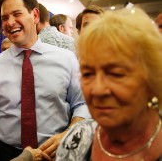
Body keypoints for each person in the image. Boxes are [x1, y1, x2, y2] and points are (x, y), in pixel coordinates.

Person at [0, 0, 90, 161]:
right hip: (8, 154)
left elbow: (81, 104)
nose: (10, 22)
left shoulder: (66, 59)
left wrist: (68, 134)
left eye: (17, 14)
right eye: (5, 18)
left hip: (57, 151)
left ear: (35, 15)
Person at [56, 8, 162, 161]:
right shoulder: (76, 140)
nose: (97, 90)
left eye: (116, 74)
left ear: (152, 79)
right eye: (88, 74)